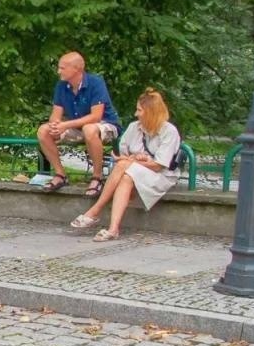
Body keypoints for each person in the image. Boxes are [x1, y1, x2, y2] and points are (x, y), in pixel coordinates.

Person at [71, 89, 181, 241]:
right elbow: (121, 154)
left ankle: (95, 210)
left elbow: (158, 165)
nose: (136, 114)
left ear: (151, 112)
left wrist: (131, 161)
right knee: (126, 177)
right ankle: (113, 229)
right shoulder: (134, 127)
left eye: (139, 110)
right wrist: (135, 158)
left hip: (161, 175)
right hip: (133, 171)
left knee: (124, 166)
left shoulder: (169, 131)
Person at [36, 51, 121, 196]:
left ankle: (97, 177)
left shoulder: (95, 83)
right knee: (43, 131)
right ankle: (60, 174)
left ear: (76, 69)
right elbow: (55, 116)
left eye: (62, 68)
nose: (58, 71)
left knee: (89, 129)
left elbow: (96, 117)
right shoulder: (61, 86)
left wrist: (65, 125)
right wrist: (55, 126)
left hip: (105, 125)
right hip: (77, 128)